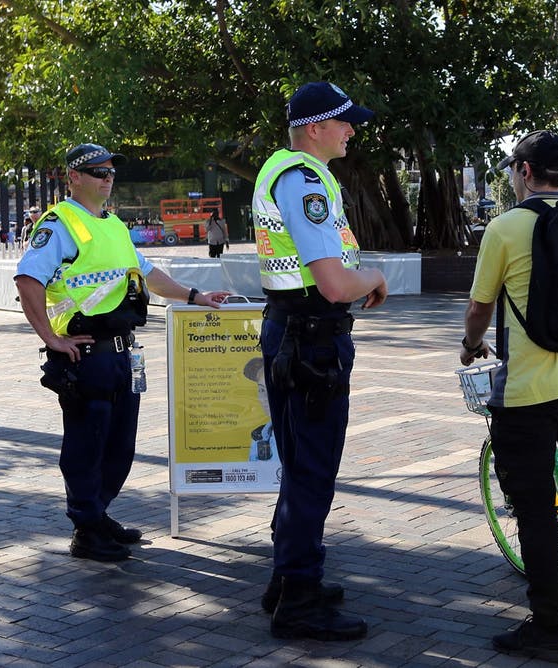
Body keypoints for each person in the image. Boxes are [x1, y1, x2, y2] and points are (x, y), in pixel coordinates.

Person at [16, 142, 228, 562]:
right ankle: (86, 528)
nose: (107, 178)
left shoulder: (112, 225)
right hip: (86, 353)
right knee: (87, 445)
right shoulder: (60, 224)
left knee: (119, 446)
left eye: (111, 172)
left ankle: (98, 515)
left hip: (122, 352)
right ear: (73, 177)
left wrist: (194, 296)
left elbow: (147, 274)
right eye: (97, 172)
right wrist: (51, 340)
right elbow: (27, 281)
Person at [457, 130, 558, 663]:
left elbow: (479, 310)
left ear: (523, 172)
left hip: (527, 393)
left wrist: (471, 346)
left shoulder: (507, 226)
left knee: (537, 511)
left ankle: (548, 627)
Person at [253, 81, 387, 641]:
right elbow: (333, 283)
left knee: (300, 463)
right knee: (312, 470)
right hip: (312, 340)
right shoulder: (303, 180)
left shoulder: (287, 173)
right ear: (315, 129)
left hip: (295, 333)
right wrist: (374, 278)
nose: (352, 130)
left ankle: (289, 579)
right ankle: (300, 601)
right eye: (344, 121)